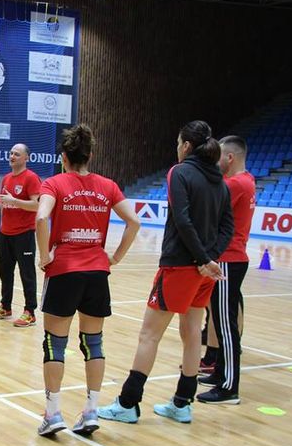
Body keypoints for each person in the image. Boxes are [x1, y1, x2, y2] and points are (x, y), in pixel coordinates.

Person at [98, 120, 234, 424]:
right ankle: (182, 403)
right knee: (191, 335)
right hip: (205, 271)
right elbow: (228, 227)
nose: (177, 148)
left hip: (180, 266)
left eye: (178, 143)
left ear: (186, 146)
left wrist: (202, 258)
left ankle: (128, 403)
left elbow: (183, 221)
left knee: (149, 335)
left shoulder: (179, 172)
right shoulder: (220, 181)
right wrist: (210, 259)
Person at [34, 125, 140, 436]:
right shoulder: (108, 186)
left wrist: (45, 256)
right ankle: (91, 409)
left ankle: (53, 413)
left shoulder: (54, 183)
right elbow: (133, 221)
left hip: (64, 271)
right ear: (90, 155)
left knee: (54, 344)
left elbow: (41, 217)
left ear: (63, 157)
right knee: (93, 343)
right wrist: (115, 257)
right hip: (96, 272)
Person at [196, 136, 255, 404]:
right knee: (221, 323)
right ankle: (220, 374)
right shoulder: (247, 180)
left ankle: (229, 387)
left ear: (229, 158)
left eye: (219, 155)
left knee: (226, 326)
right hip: (232, 258)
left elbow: (208, 209)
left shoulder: (234, 184)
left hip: (228, 260)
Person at [0, 143, 42, 327]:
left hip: (24, 234)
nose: (12, 156)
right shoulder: (6, 178)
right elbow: (4, 204)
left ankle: (30, 312)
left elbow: (37, 205)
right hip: (5, 234)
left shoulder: (31, 178)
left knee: (27, 274)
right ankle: (5, 307)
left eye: (17, 154)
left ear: (26, 158)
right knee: (5, 272)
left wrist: (14, 201)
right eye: (11, 153)